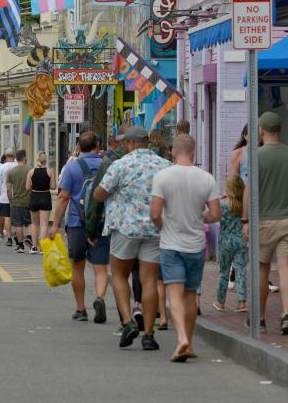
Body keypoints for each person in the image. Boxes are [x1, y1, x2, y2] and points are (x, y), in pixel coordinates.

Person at [93, 125, 171, 350]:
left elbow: (100, 193)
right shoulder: (164, 166)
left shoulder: (120, 165)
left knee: (119, 275)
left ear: (130, 143)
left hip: (125, 228)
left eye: (124, 143)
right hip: (154, 229)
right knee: (149, 280)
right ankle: (148, 333)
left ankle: (127, 322)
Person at [150, 134, 220, 362]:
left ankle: (181, 339)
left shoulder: (162, 177)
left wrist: (163, 225)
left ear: (173, 152)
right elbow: (216, 214)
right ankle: (188, 341)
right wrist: (200, 219)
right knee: (190, 294)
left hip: (171, 244)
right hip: (196, 245)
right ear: (194, 153)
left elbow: (154, 213)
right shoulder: (207, 179)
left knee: (174, 293)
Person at [242, 112, 288, 335]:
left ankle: (259, 318)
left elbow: (249, 191)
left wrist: (246, 220)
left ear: (261, 130)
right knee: (286, 267)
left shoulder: (256, 156)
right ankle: (286, 315)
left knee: (261, 268)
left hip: (263, 221)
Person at [52, 132, 106, 322]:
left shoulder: (72, 167)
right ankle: (99, 297)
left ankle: (81, 308)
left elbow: (63, 197)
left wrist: (55, 225)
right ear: (98, 144)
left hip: (77, 222)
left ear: (79, 147)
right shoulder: (105, 166)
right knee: (100, 267)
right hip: (101, 221)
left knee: (78, 266)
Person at [214, 175, 247, 312]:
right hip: (240, 240)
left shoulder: (222, 204)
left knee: (224, 272)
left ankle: (220, 302)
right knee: (240, 270)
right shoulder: (243, 204)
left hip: (225, 241)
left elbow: (213, 212)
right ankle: (242, 302)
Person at [26, 151, 57, 248]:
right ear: (46, 160)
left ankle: (34, 246)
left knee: (34, 223)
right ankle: (43, 248)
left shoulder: (31, 172)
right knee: (44, 224)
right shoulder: (50, 171)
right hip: (45, 196)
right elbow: (53, 186)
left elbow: (27, 187)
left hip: (34, 196)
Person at [6, 150, 32, 253]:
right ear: (24, 158)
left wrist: (10, 201)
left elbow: (8, 189)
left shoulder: (11, 172)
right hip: (28, 200)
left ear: (16, 159)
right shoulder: (30, 170)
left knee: (18, 224)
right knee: (30, 222)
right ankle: (30, 238)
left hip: (16, 201)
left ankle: (20, 245)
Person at [0, 149, 16, 246]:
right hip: (16, 195)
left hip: (5, 195)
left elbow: (0, 182)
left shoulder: (2, 167)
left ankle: (9, 238)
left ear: (5, 155)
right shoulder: (17, 166)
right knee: (16, 217)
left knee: (7, 217)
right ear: (14, 156)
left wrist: (1, 194)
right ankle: (17, 236)